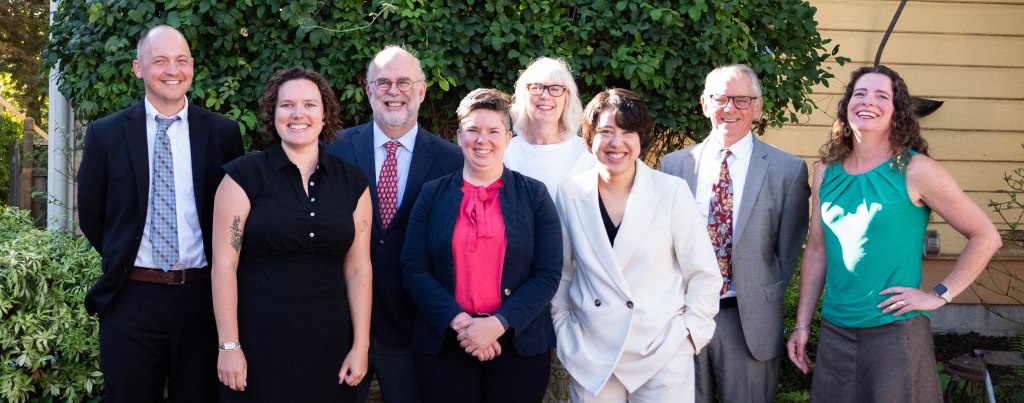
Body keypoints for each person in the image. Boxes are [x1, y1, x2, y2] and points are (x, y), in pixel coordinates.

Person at [786, 65, 1002, 402]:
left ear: (896, 110)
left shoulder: (916, 170)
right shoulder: (825, 173)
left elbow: (986, 235)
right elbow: (816, 251)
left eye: (881, 95)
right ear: (846, 105)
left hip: (895, 331)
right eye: (859, 93)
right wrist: (802, 324)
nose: (867, 101)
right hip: (836, 331)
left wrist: (939, 293)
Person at [77, 25, 244, 402]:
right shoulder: (106, 134)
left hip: (203, 300)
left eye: (182, 60)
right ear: (138, 68)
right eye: (160, 61)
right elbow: (91, 216)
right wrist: (125, 258)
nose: (173, 70)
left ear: (193, 67)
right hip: (132, 299)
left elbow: (234, 217)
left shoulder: (223, 134)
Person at [211, 67, 372, 401]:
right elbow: (224, 265)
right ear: (273, 113)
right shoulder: (243, 177)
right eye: (287, 105)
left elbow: (359, 269)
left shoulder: (353, 182)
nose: (298, 114)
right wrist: (229, 345)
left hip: (330, 348)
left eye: (310, 105)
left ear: (325, 113)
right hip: (257, 346)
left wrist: (361, 346)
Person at [553, 88, 722, 402]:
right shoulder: (570, 192)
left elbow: (704, 274)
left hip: (660, 352)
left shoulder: (671, 192)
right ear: (590, 137)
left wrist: (688, 337)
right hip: (592, 354)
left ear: (641, 139)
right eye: (606, 131)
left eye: (628, 132)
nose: (616, 143)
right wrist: (564, 330)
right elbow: (561, 273)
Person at [660, 64, 810, 403]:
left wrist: (761, 294)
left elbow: (787, 254)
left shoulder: (788, 171)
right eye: (720, 98)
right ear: (704, 104)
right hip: (681, 317)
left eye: (742, 100)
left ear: (758, 107)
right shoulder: (674, 166)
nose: (730, 108)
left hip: (748, 321)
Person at [402, 88, 562, 403]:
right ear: (459, 136)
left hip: (518, 346)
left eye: (493, 131)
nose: (482, 139)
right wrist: (464, 325)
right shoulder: (432, 195)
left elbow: (547, 273)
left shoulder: (535, 196)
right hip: (445, 345)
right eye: (473, 130)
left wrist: (497, 324)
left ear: (508, 138)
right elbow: (414, 268)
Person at [326, 45, 463, 403]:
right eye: (383, 83)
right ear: (369, 91)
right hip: (339, 324)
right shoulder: (333, 150)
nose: (393, 92)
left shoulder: (451, 160)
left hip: (414, 327)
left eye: (404, 82)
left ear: (421, 91)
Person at [504, 56, 597, 197]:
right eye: (536, 87)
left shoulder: (587, 155)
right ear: (524, 94)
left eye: (555, 89)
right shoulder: (505, 151)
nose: (545, 96)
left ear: (567, 97)